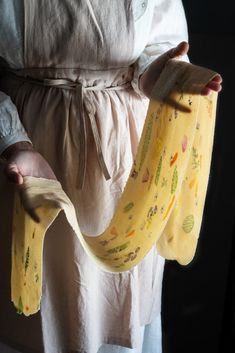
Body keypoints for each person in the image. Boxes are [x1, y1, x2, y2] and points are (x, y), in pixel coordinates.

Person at [0, 1, 222, 353]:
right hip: (28, 164)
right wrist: (12, 141)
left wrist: (167, 76)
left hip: (121, 172)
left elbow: (156, 50)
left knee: (111, 304)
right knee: (39, 310)